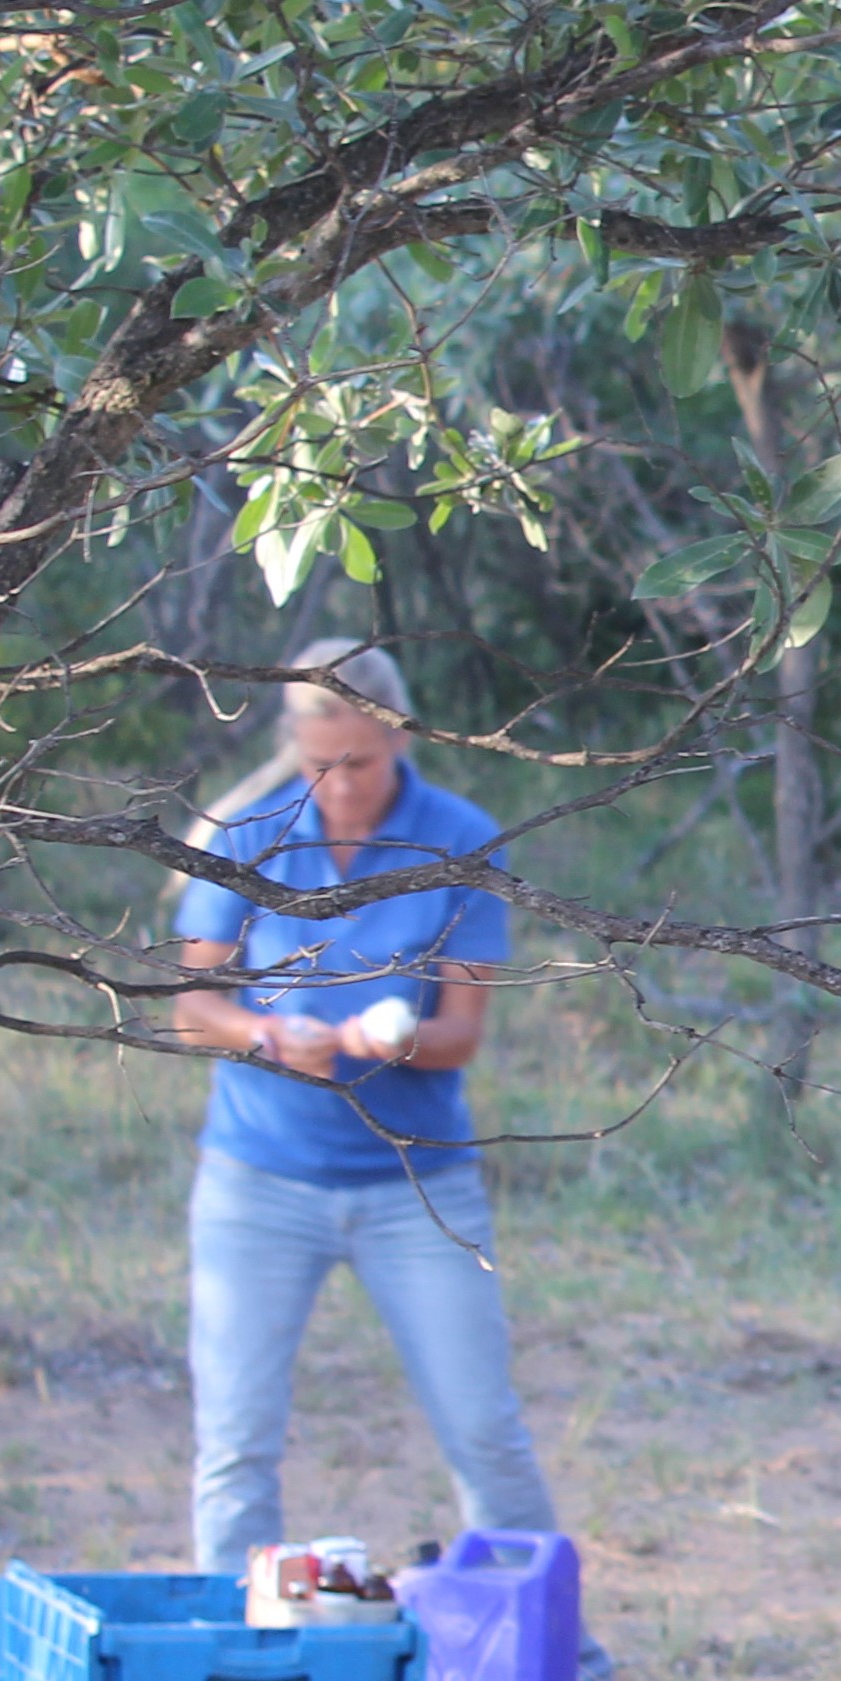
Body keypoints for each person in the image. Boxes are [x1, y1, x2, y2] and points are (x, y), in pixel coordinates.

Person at [167, 641, 560, 1581]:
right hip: (260, 1179)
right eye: (317, 768)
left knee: (484, 1431)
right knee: (236, 1444)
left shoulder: (461, 838)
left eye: (360, 765)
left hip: (415, 1180)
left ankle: (564, 1666)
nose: (338, 789)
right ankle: (236, 1666)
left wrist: (395, 1041)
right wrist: (270, 1036)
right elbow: (192, 1014)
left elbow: (462, 1031)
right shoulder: (247, 833)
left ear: (397, 738)